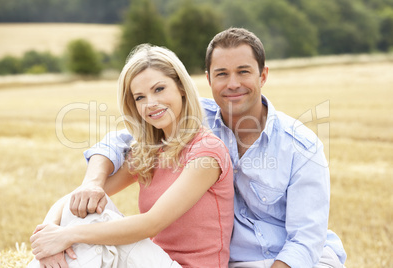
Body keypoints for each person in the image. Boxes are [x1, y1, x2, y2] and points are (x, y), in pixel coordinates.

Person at [69, 28, 347, 268]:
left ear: (263, 76)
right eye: (222, 74)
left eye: (243, 72)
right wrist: (92, 183)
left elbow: (305, 240)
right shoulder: (192, 116)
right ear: (208, 79)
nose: (233, 83)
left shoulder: (301, 146)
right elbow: (121, 141)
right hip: (236, 261)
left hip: (296, 260)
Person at [28, 44, 234, 268]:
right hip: (150, 261)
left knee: (96, 218)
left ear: (181, 88)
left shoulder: (207, 152)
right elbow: (76, 199)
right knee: (89, 202)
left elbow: (150, 224)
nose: (150, 104)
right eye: (139, 97)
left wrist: (67, 236)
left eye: (159, 89)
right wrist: (47, 236)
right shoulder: (149, 151)